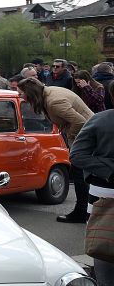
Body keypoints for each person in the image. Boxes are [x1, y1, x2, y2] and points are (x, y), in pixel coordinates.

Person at [17, 77, 93, 223]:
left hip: (85, 136)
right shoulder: (49, 95)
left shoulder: (54, 101)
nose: (19, 96)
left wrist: (71, 139)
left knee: (79, 175)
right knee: (81, 175)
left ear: (30, 93)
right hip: (83, 135)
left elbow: (80, 122)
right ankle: (85, 210)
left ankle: (82, 211)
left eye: (21, 93)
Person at [69, 109, 114, 286]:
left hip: (103, 187)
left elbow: (77, 155)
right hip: (103, 188)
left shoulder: (101, 119)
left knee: (102, 240)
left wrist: (108, 168)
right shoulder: (101, 119)